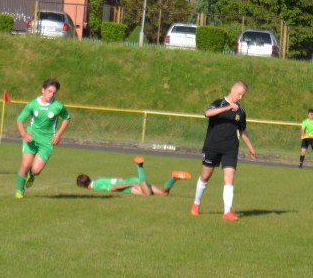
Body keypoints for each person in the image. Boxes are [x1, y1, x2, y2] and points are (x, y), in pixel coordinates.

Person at [191, 80, 257, 221]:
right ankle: (196, 203)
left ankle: (227, 212)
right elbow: (207, 113)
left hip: (230, 148)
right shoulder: (218, 103)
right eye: (239, 94)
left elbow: (243, 130)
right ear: (233, 89)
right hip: (212, 146)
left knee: (230, 178)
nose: (240, 97)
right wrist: (226, 108)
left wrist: (250, 147)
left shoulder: (241, 110)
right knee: (205, 176)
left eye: (242, 96)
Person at [15, 78, 70, 199]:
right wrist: (24, 134)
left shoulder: (58, 106)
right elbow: (20, 120)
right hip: (31, 138)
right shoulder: (33, 104)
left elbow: (67, 118)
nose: (51, 94)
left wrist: (58, 134)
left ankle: (32, 174)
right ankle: (19, 190)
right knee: (25, 164)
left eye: (54, 92)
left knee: (36, 170)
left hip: (47, 141)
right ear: (43, 90)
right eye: (49, 91)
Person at [76, 156, 192, 196]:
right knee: (164, 193)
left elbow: (114, 188)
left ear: (83, 186)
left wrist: (131, 184)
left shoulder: (96, 186)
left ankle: (139, 166)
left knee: (147, 194)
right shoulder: (98, 179)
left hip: (129, 186)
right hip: (130, 180)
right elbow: (119, 178)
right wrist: (129, 181)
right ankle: (174, 178)